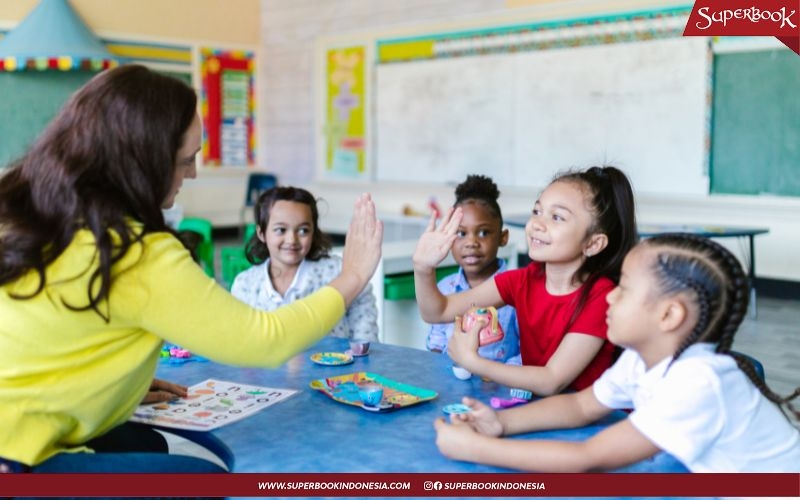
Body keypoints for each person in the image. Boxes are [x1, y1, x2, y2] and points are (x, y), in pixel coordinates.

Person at [0, 64, 383, 474]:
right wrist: (353, 275)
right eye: (186, 160)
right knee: (202, 478)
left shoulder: (37, 213)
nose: (193, 173)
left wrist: (115, 384)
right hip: (14, 456)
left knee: (143, 440)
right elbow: (263, 340)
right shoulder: (133, 251)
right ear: (141, 162)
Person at [434, 233, 800, 472]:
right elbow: (580, 406)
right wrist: (502, 423)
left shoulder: (697, 381)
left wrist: (473, 449)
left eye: (624, 289)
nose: (609, 295)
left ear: (669, 315)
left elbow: (586, 458)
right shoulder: (640, 362)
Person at [413, 166, 637, 395]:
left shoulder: (602, 297)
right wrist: (423, 268)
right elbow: (438, 312)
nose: (537, 224)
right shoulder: (523, 280)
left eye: (557, 217)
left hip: (587, 423)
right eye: (537, 211)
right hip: (539, 410)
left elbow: (552, 379)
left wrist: (473, 362)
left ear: (592, 244)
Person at [231, 186, 378, 342]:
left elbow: (365, 333)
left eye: (303, 231)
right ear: (262, 233)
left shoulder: (340, 272)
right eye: (280, 230)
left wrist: (362, 359)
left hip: (335, 366)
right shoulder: (245, 284)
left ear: (313, 232)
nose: (292, 240)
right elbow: (239, 342)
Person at [425, 175, 520, 365]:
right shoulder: (444, 288)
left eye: (483, 232)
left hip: (500, 388)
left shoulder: (517, 291)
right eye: (461, 233)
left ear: (503, 237)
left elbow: (527, 354)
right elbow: (436, 346)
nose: (471, 243)